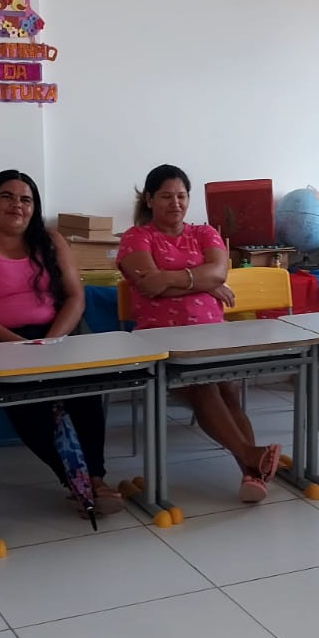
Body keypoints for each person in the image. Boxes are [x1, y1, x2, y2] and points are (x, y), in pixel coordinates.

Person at [0, 170, 119, 517]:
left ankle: (96, 478)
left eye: (26, 199)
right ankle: (76, 480)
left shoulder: (51, 240)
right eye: (7, 196)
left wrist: (51, 341)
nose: (17, 205)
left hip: (56, 335)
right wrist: (20, 346)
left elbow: (76, 297)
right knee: (29, 405)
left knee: (85, 390)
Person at [117, 164, 281, 503]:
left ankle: (252, 470)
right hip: (160, 339)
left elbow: (218, 273)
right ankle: (251, 458)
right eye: (166, 196)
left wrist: (173, 278)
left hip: (211, 335)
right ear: (149, 199)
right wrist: (202, 282)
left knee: (228, 389)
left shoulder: (204, 232)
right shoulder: (137, 237)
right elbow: (149, 285)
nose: (175, 203)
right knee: (202, 384)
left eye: (181, 196)